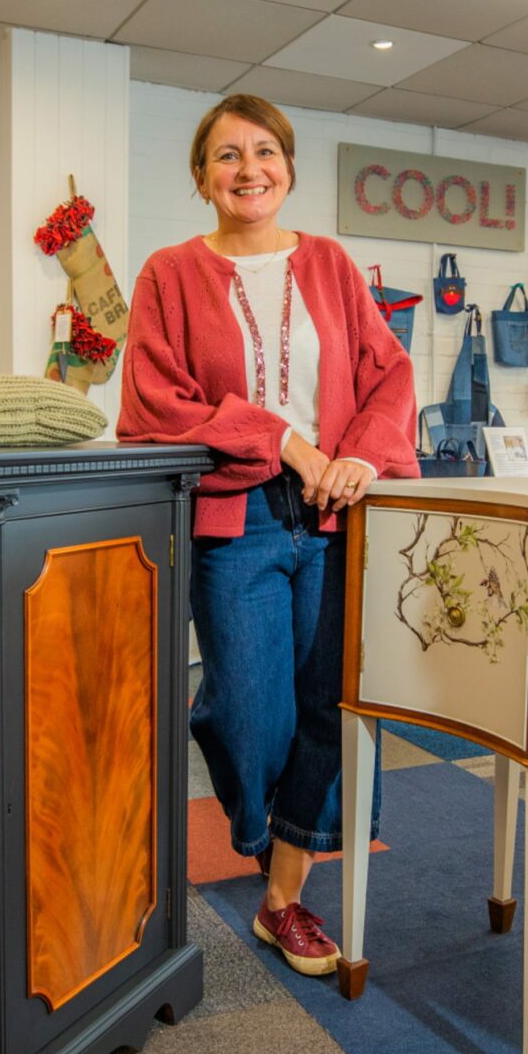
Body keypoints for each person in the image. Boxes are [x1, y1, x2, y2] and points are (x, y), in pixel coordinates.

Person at [120, 93, 417, 977]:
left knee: (328, 705)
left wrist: (359, 457)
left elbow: (389, 375)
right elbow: (154, 405)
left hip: (332, 518)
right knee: (251, 713)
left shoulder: (330, 263)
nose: (248, 169)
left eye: (264, 151)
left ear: (288, 164)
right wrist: (280, 437)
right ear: (201, 176)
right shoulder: (167, 274)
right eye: (225, 155)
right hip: (237, 518)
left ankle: (282, 895)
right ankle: (267, 835)